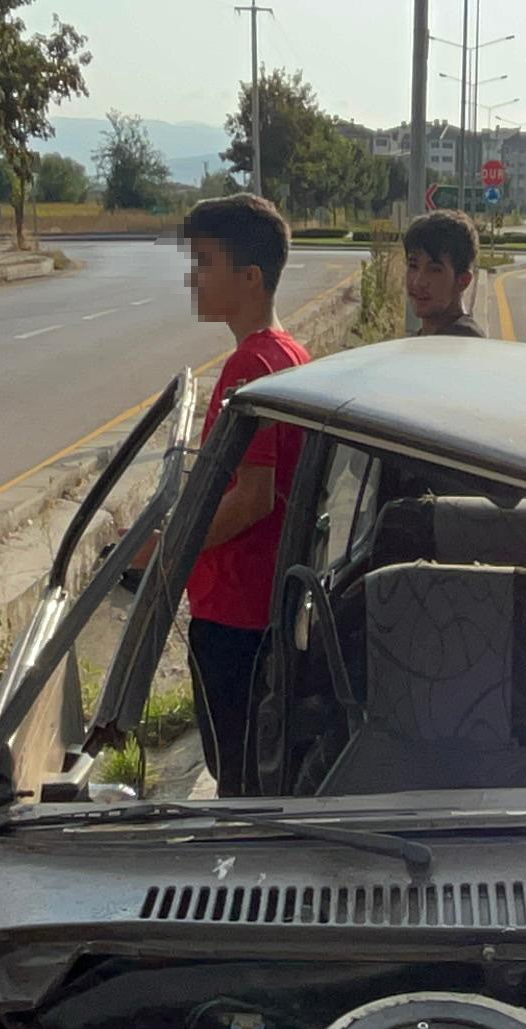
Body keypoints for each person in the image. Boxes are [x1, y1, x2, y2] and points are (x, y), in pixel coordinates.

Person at [177, 195, 309, 792]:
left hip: (235, 616)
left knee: (238, 780)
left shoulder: (250, 368)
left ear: (249, 278)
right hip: (264, 609)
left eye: (205, 263)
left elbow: (252, 496)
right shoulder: (290, 354)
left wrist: (169, 550)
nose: (194, 278)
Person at [401, 211, 484, 337]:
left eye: (434, 270)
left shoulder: (461, 341)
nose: (418, 282)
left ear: (463, 280)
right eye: (413, 266)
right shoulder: (425, 340)